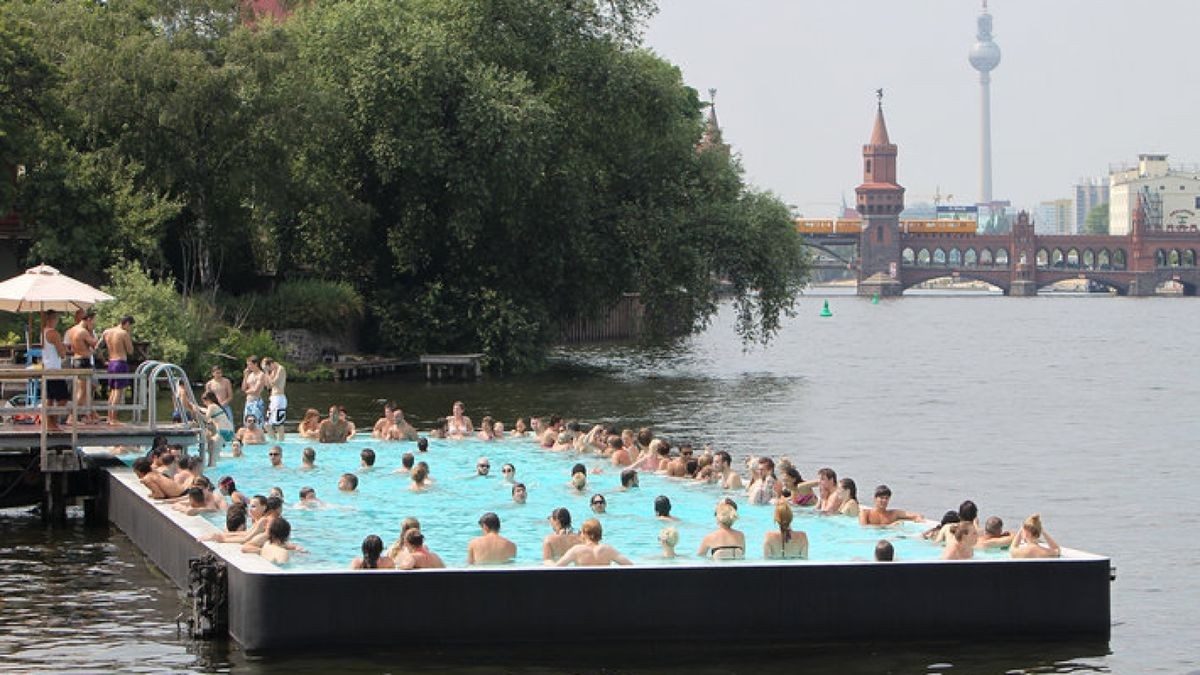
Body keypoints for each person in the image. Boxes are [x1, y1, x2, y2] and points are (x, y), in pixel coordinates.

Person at [65, 309, 99, 423]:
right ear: (88, 320)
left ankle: (91, 415)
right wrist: (90, 331)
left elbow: (70, 346)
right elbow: (95, 344)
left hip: (75, 360)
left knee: (85, 390)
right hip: (83, 361)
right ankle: (71, 417)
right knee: (82, 392)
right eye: (93, 321)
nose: (94, 323)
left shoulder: (71, 330)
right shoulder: (83, 331)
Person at [38, 310, 70, 432]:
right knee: (63, 398)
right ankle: (53, 422)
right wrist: (63, 347)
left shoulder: (43, 333)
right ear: (53, 319)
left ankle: (49, 423)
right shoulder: (53, 333)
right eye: (57, 319)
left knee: (50, 398)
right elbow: (61, 354)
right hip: (55, 370)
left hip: (47, 368)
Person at [101, 315, 135, 425]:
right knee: (118, 391)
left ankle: (109, 417)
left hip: (111, 362)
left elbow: (97, 348)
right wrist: (128, 337)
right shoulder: (123, 333)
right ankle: (113, 419)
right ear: (127, 323)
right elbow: (130, 351)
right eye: (130, 326)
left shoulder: (107, 332)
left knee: (112, 391)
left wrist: (103, 360)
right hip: (120, 362)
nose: (130, 329)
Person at [556, 519, 633, 567]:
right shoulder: (608, 549)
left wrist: (548, 561)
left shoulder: (576, 550)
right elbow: (630, 565)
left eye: (581, 532)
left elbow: (557, 567)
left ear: (585, 534)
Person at [859, 485, 923, 526]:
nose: (884, 500)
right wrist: (889, 527)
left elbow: (916, 515)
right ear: (875, 498)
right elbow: (864, 529)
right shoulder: (865, 513)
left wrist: (918, 518)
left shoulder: (894, 514)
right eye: (881, 498)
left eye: (886, 498)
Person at [261, 357, 287, 442]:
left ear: (271, 364)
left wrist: (266, 372)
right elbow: (268, 386)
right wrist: (266, 373)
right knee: (267, 424)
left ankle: (281, 442)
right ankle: (274, 441)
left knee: (278, 424)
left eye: (267, 367)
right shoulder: (272, 372)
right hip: (273, 399)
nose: (267, 369)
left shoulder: (280, 369)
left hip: (279, 399)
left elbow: (274, 382)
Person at [240, 355, 266, 427]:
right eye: (247, 365)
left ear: (255, 364)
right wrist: (245, 376)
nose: (248, 367)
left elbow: (255, 390)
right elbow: (243, 388)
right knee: (247, 423)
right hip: (248, 402)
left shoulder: (261, 375)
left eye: (250, 364)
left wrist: (247, 391)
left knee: (257, 424)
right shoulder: (250, 375)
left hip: (256, 402)